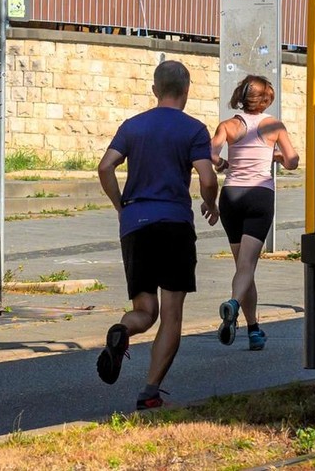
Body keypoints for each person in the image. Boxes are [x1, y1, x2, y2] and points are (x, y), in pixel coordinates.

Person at [95, 60, 219, 411]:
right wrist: (211, 204)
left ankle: (124, 330)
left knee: (144, 310)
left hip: (136, 223)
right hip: (174, 224)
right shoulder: (194, 129)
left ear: (154, 90)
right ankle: (150, 390)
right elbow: (207, 178)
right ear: (187, 90)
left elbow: (105, 166)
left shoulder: (133, 126)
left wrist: (121, 205)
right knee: (171, 314)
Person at [209, 74, 300, 352]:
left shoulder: (228, 125)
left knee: (243, 267)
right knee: (247, 267)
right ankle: (234, 305)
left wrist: (223, 162)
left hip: (231, 196)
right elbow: (294, 161)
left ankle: (253, 329)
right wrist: (278, 157)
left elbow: (210, 154)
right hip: (259, 196)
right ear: (265, 99)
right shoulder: (273, 125)